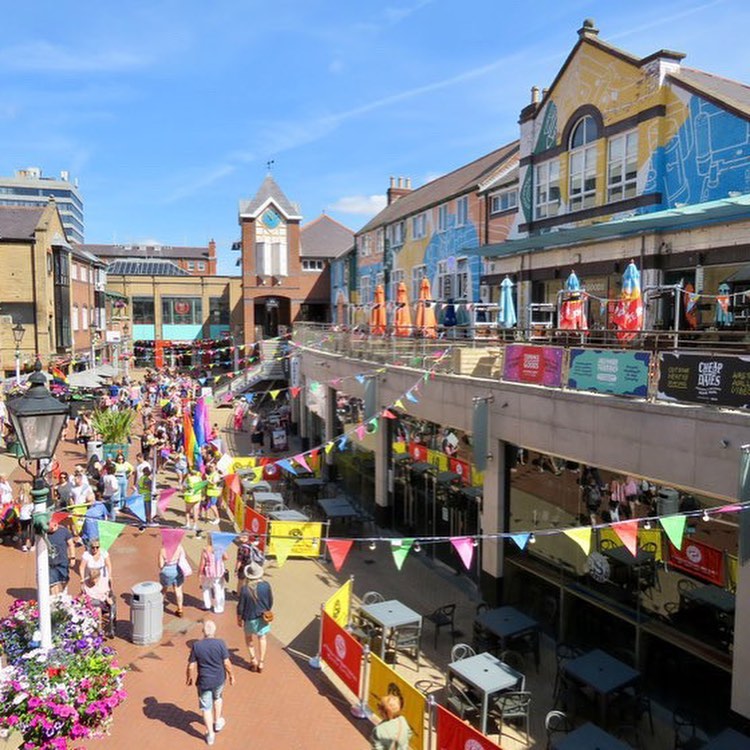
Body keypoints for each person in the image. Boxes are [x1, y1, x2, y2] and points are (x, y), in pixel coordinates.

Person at [186, 619, 235, 746]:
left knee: (206, 708)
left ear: (203, 631)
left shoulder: (197, 646)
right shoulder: (221, 644)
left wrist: (189, 678)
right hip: (219, 679)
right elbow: (227, 663)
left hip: (204, 682)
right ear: (214, 631)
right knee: (218, 697)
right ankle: (218, 721)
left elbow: (191, 666)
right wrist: (231, 676)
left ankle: (210, 734)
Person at [236, 561, 273, 673]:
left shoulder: (245, 589)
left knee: (248, 638)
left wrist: (239, 618)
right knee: (262, 638)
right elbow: (271, 601)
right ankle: (261, 662)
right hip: (263, 617)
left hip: (249, 618)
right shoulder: (266, 585)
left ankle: (253, 660)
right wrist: (267, 609)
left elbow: (241, 606)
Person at [81, 566, 116, 638]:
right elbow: (83, 594)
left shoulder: (103, 583)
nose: (94, 581)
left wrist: (108, 598)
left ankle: (99, 628)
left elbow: (107, 594)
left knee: (97, 609)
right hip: (89, 602)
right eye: (92, 579)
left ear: (99, 577)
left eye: (95, 579)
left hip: (100, 603)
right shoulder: (85, 583)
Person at [199, 534, 228, 614]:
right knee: (219, 589)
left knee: (206, 587)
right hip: (218, 572)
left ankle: (207, 604)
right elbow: (226, 557)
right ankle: (219, 607)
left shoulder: (205, 549)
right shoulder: (221, 548)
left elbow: (202, 563)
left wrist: (200, 573)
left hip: (208, 572)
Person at [47, 517, 76, 595]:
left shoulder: (64, 531)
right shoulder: (44, 534)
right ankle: (55, 599)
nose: (46, 526)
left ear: (54, 523)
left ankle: (64, 591)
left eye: (47, 524)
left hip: (63, 560)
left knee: (64, 579)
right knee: (53, 582)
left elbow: (71, 544)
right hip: (50, 562)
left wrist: (72, 557)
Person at [159, 537, 187, 617]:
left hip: (167, 570)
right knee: (178, 589)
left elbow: (161, 565)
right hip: (178, 569)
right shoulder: (179, 547)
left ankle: (159, 604)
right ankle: (180, 609)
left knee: (164, 588)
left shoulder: (162, 550)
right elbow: (183, 558)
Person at [235, 532, 265, 598]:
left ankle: (239, 595)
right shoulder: (251, 545)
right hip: (251, 565)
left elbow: (239, 560)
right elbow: (258, 542)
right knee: (249, 581)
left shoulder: (241, 548)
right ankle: (249, 595)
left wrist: (236, 570)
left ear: (243, 538)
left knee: (240, 581)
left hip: (243, 567)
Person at [184, 467, 204, 532]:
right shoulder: (199, 479)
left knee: (187, 511)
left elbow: (185, 487)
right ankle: (195, 525)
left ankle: (187, 524)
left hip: (189, 496)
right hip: (197, 497)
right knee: (196, 511)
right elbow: (202, 487)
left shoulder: (188, 479)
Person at [18, 482, 33, 552]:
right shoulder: (31, 497)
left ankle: (24, 546)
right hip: (30, 515)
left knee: (24, 530)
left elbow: (18, 503)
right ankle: (31, 544)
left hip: (22, 516)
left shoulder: (21, 496)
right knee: (31, 530)